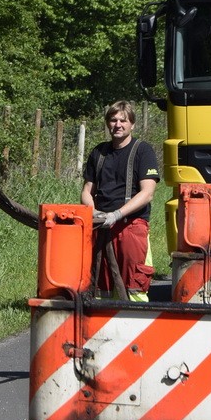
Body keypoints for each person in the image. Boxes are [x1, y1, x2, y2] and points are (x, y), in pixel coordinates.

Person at [81, 101, 160, 302]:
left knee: (134, 289)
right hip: (101, 229)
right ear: (108, 123)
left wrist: (117, 214)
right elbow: (87, 191)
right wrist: (95, 213)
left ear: (132, 124)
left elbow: (147, 193)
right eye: (113, 120)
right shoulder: (98, 153)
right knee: (101, 287)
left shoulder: (143, 151)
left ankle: (136, 327)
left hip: (131, 227)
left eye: (123, 120)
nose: (118, 125)